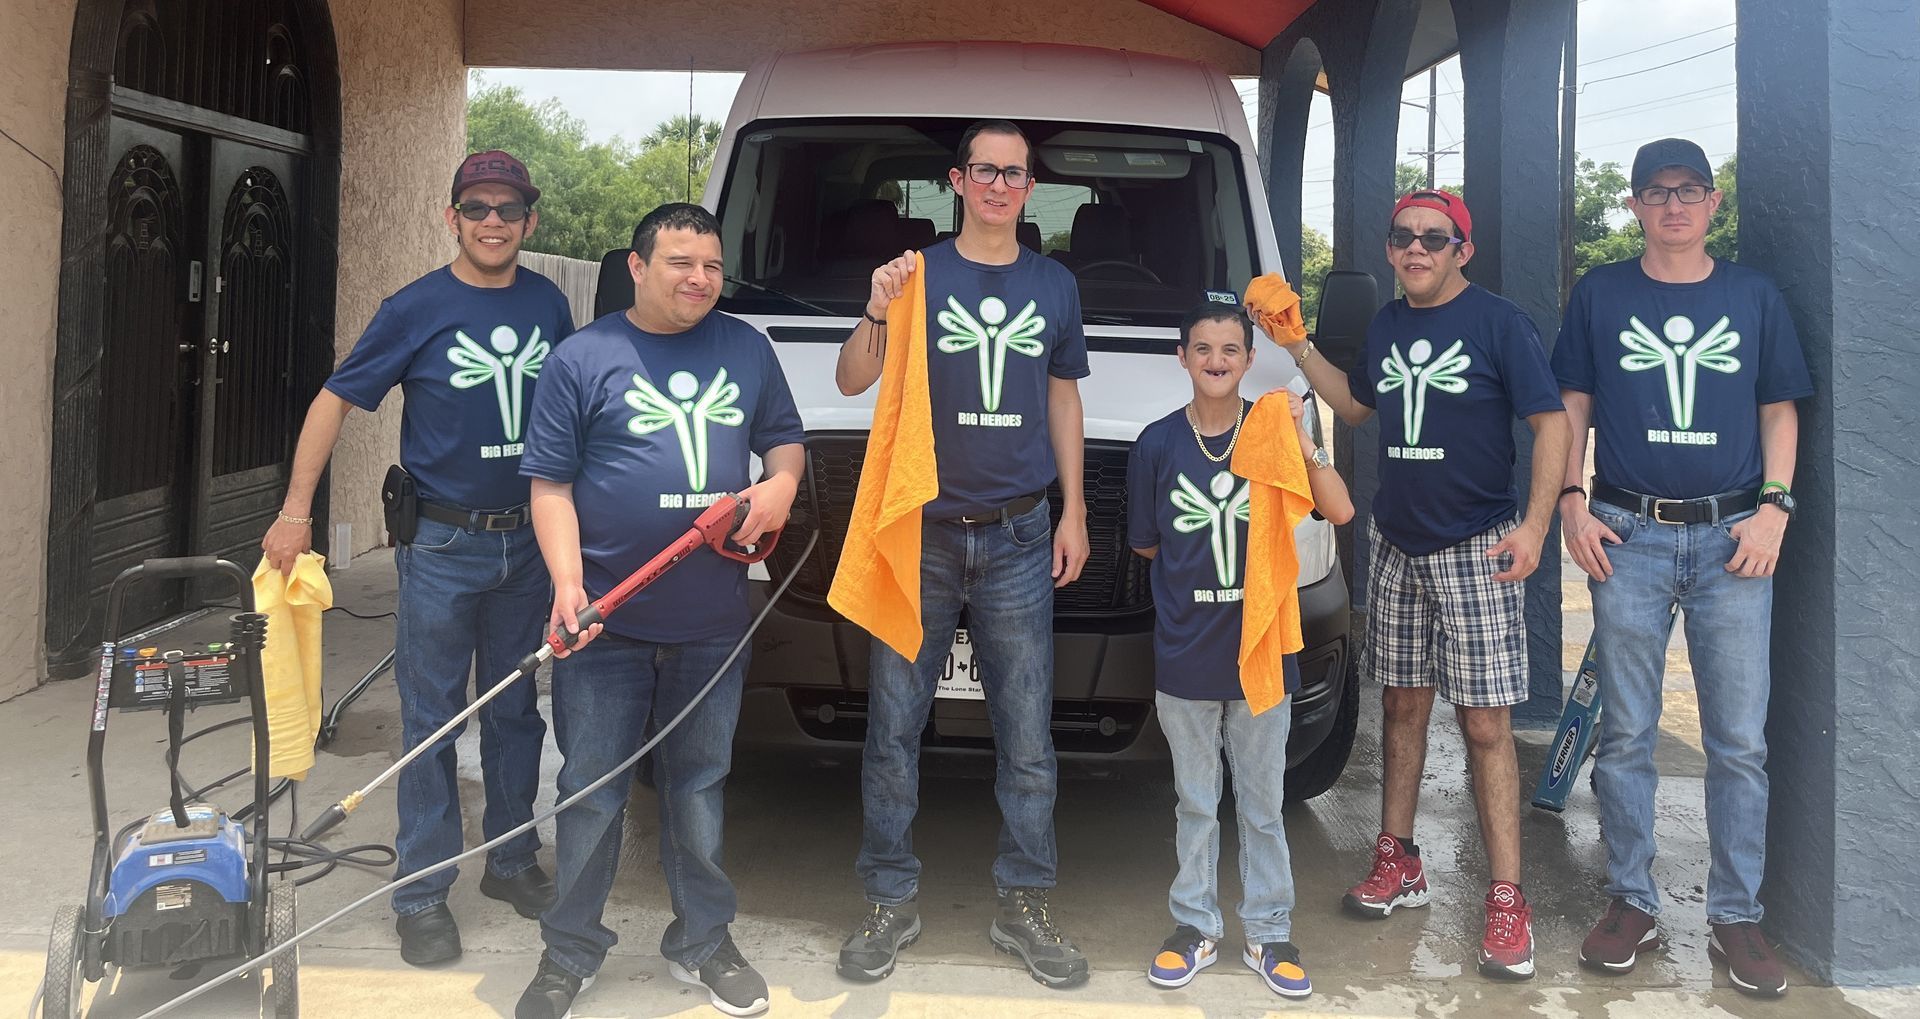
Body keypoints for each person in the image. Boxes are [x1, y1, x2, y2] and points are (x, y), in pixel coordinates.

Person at [261, 149, 571, 965]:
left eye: (509, 208)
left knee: (512, 710)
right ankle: (424, 892)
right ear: (452, 217)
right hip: (442, 542)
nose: (494, 221)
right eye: (478, 207)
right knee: (432, 719)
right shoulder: (415, 307)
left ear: (530, 220)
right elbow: (335, 400)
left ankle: (510, 860)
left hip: (529, 543)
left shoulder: (550, 304)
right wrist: (297, 510)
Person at [512, 203, 805, 1019]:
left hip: (713, 622)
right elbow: (551, 484)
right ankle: (569, 950)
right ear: (636, 267)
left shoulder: (747, 347)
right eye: (681, 263)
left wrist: (780, 484)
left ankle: (704, 939)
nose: (700, 279)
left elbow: (784, 440)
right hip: (605, 622)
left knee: (699, 790)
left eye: (711, 265)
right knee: (592, 793)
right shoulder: (584, 356)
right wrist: (568, 585)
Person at [830, 119, 1093, 988]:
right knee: (893, 727)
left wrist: (1075, 511)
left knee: (1026, 736)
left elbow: (1064, 401)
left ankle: (1023, 900)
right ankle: (887, 897)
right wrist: (875, 304)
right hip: (925, 531)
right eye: (984, 170)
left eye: (1013, 173)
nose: (998, 185)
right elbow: (851, 380)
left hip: (1020, 532)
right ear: (957, 179)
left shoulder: (1055, 284)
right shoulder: (916, 275)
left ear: (1029, 186)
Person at [1281, 189, 1569, 980]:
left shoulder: (1501, 324)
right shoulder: (1389, 323)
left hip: (1476, 547)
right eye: (1404, 237)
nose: (1416, 250)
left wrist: (1538, 526)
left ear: (1462, 250)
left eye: (1434, 239)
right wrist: (1296, 343)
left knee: (1484, 725)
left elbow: (1553, 425)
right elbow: (1356, 404)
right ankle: (1398, 859)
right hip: (1395, 541)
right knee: (1402, 705)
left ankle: (1507, 898)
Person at [1553, 138, 1811, 998]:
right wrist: (1569, 498)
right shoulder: (1602, 293)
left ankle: (1736, 912)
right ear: (1633, 205)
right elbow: (1574, 404)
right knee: (1626, 733)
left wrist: (1775, 504)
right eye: (1655, 192)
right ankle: (1633, 897)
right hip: (1628, 531)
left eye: (1689, 191)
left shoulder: (1753, 295)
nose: (1673, 205)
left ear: (1714, 202)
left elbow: (1780, 407)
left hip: (1736, 535)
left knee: (1737, 739)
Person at [1128, 305, 1353, 999]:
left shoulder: (1275, 427)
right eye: (1204, 348)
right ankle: (1194, 924)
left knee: (1262, 803)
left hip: (1262, 651)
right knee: (1195, 800)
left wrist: (1305, 437)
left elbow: (1339, 510)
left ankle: (1268, 931)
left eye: (1231, 348)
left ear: (1250, 359)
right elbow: (1148, 543)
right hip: (1188, 653)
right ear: (1183, 357)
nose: (1217, 359)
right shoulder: (1157, 443)